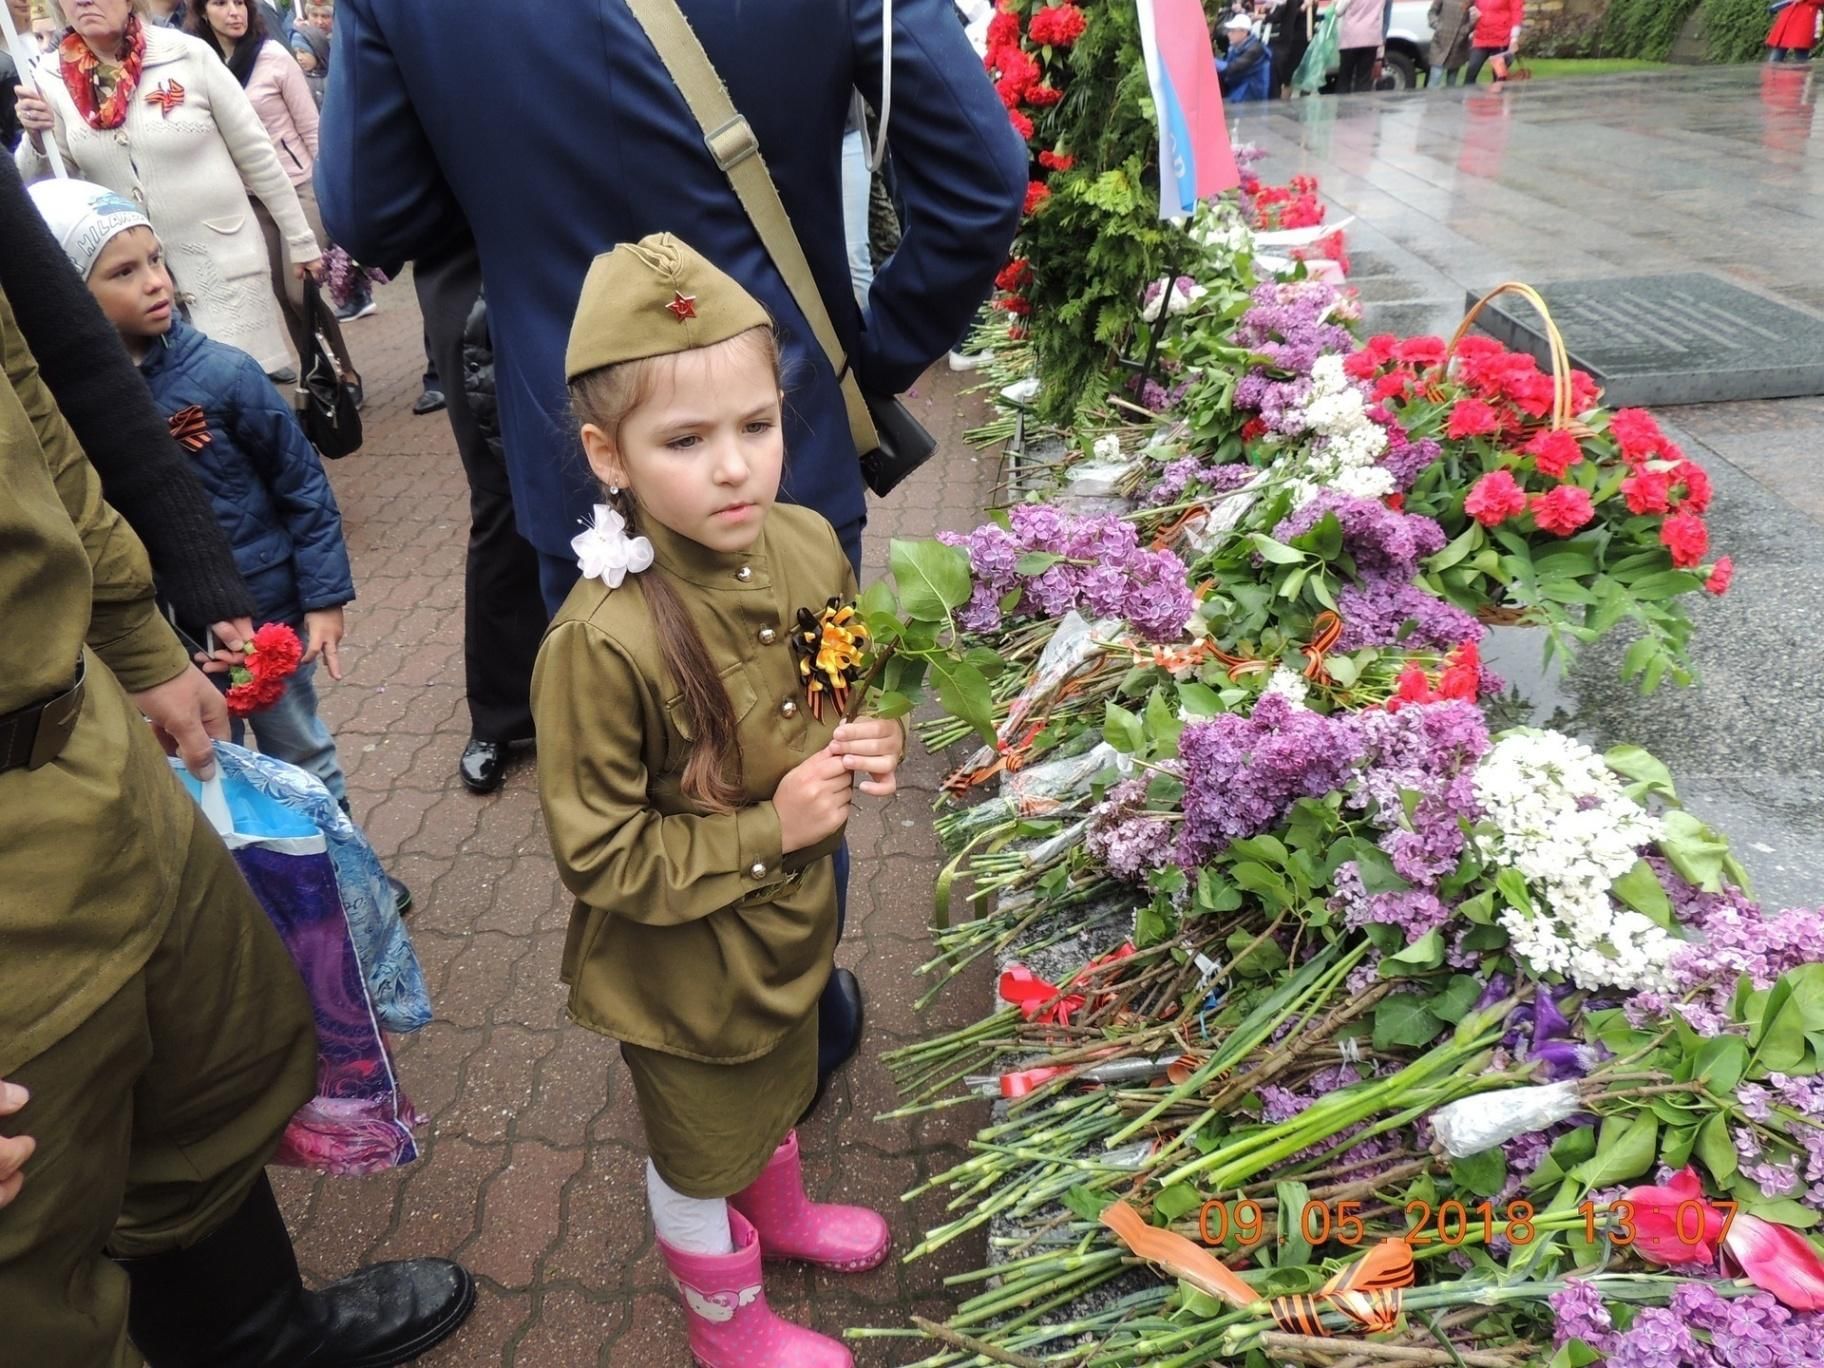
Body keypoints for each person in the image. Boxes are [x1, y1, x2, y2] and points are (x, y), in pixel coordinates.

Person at [316, 0, 1025, 1096]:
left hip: (582, 474)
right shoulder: (766, 459)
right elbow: (979, 176)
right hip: (782, 450)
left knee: (629, 755)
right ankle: (804, 1013)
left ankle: (690, 1033)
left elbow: (375, 208)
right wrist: (860, 365)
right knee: (807, 732)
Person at [0, 240, 472, 1368]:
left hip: (84, 728)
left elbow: (32, 387)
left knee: (204, 1078)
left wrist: (129, 626)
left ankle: (265, 1335)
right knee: (38, 1254)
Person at [534, 234, 904, 1368]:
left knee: (784, 1078)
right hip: (680, 972)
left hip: (788, 932)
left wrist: (865, 728)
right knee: (697, 1150)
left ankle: (781, 1218)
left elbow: (841, 671)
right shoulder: (603, 641)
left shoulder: (804, 542)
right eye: (685, 440)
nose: (736, 467)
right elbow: (601, 859)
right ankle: (726, 1328)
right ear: (610, 454)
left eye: (757, 424)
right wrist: (772, 829)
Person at [31, 175, 415, 917]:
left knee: (303, 754)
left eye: (156, 260)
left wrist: (326, 598)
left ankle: (348, 881)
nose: (154, 283)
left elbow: (303, 488)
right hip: (170, 640)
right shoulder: (68, 414)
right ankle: (263, 898)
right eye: (122, 271)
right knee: (208, 767)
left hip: (268, 618)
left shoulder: (226, 373)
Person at [14, 0, 323, 378]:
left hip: (222, 266)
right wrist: (35, 139)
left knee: (240, 397)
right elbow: (44, 189)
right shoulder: (51, 78)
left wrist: (301, 239)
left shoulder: (187, 54)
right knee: (182, 417)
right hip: (137, 292)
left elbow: (257, 156)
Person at [416, 233, 545, 795]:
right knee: (500, 507)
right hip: (471, 272)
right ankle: (502, 712)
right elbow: (365, 216)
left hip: (582, 253)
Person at [189, 0, 361, 405]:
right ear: (202, 12)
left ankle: (346, 371)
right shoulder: (200, 65)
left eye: (240, 3)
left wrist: (327, 186)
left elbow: (311, 127)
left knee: (301, 290)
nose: (234, 12)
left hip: (299, 186)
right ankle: (319, 378)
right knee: (281, 295)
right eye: (220, 3)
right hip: (248, 198)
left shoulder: (273, 57)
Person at [1217, 15, 1274, 103]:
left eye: (1232, 31)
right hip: (1238, 92)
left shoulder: (1255, 50)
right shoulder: (1236, 47)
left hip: (1249, 97)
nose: (1229, 34)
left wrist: (1210, 61)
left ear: (1244, 32)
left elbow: (1231, 68)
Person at [1331, 0, 1384, 93]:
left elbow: (1338, 11)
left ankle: (1343, 105)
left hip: (1351, 38)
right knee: (1364, 79)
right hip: (1371, 37)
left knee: (1345, 78)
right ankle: (1361, 105)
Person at [1463, 0, 1522, 85]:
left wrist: (1514, 39)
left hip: (1501, 40)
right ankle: (1468, 96)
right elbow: (1470, 5)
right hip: (1481, 37)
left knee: (1499, 77)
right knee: (1472, 70)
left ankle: (1499, 96)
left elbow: (1516, 14)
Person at [291, 0, 330, 101]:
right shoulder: (297, 37)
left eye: (325, 16)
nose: (319, 22)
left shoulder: (344, 43)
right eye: (314, 15)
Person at [1427, 0, 1473, 86]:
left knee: (1451, 82)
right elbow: (1432, 12)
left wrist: (1464, 31)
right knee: (1435, 78)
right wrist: (1437, 25)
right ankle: (1431, 99)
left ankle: (1450, 99)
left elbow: (1474, 17)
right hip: (1440, 42)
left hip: (1458, 44)